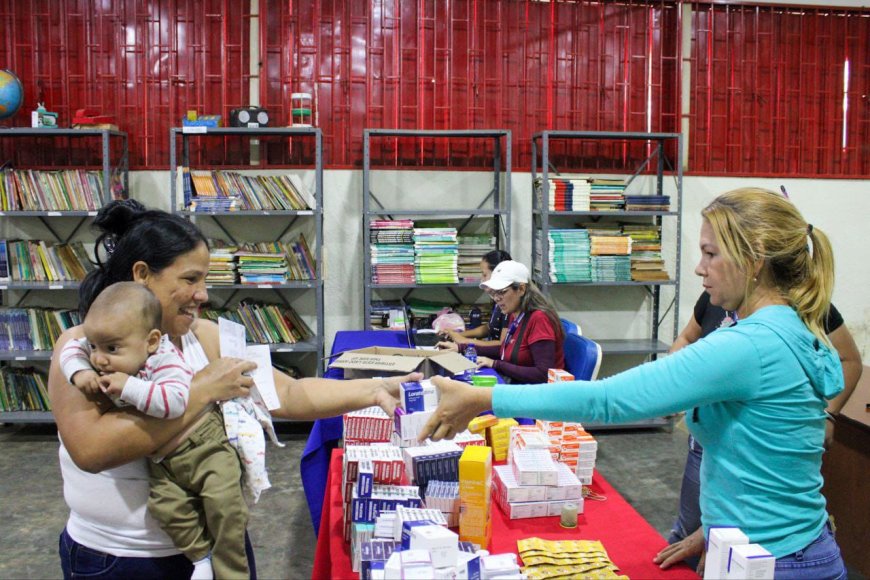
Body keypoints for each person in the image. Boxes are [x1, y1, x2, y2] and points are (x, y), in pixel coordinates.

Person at [422, 188, 848, 579]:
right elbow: (773, 458)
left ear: (754, 261)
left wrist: (484, 397)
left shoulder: (748, 345)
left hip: (776, 561)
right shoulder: (794, 325)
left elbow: (610, 400)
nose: (700, 268)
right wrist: (716, 528)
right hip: (789, 543)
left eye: (710, 253)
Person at [50, 199, 419, 579]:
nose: (203, 295)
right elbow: (91, 450)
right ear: (143, 274)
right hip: (120, 558)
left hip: (218, 553)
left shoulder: (206, 337)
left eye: (204, 280)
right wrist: (204, 391)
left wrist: (375, 390)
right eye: (190, 279)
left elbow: (288, 394)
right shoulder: (83, 349)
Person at [653, 290, 863, 573]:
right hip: (706, 444)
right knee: (690, 536)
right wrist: (679, 377)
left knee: (739, 550)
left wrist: (828, 414)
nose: (701, 268)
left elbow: (849, 360)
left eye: (712, 254)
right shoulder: (715, 298)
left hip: (754, 457)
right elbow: (688, 338)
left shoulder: (805, 306)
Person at [59, 280, 256, 579]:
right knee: (167, 507)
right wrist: (80, 371)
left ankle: (232, 574)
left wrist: (130, 385)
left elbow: (175, 403)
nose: (99, 358)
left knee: (225, 509)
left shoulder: (165, 360)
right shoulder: (110, 342)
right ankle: (200, 558)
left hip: (205, 447)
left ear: (151, 341)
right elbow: (70, 348)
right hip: (164, 460)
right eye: (94, 347)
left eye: (110, 348)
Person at [436, 260, 565, 383]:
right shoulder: (516, 313)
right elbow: (506, 350)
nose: (497, 299)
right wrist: (460, 348)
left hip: (537, 392)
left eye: (502, 292)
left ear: (521, 289)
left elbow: (543, 374)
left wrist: (495, 364)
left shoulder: (539, 319)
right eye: (494, 293)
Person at [440, 250, 512, 348]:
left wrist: (464, 341)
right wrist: (458, 334)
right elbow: (490, 328)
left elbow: (502, 345)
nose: (482, 279)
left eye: (484, 274)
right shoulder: (498, 299)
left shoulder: (510, 303)